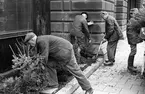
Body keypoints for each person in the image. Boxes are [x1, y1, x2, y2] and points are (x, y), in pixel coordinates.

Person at [24, 32, 93, 94]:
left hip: (66, 51)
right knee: (49, 64)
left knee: (75, 70)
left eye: (30, 43)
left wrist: (36, 67)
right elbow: (42, 56)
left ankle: (89, 89)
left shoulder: (41, 41)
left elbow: (44, 57)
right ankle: (53, 84)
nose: (30, 45)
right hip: (62, 51)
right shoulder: (40, 40)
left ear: (32, 39)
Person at [126, 8, 143, 73]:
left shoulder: (132, 20)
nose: (137, 15)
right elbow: (138, 27)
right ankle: (130, 67)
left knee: (133, 51)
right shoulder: (132, 21)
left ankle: (130, 65)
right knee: (133, 51)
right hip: (132, 39)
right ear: (133, 14)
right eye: (136, 14)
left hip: (132, 39)